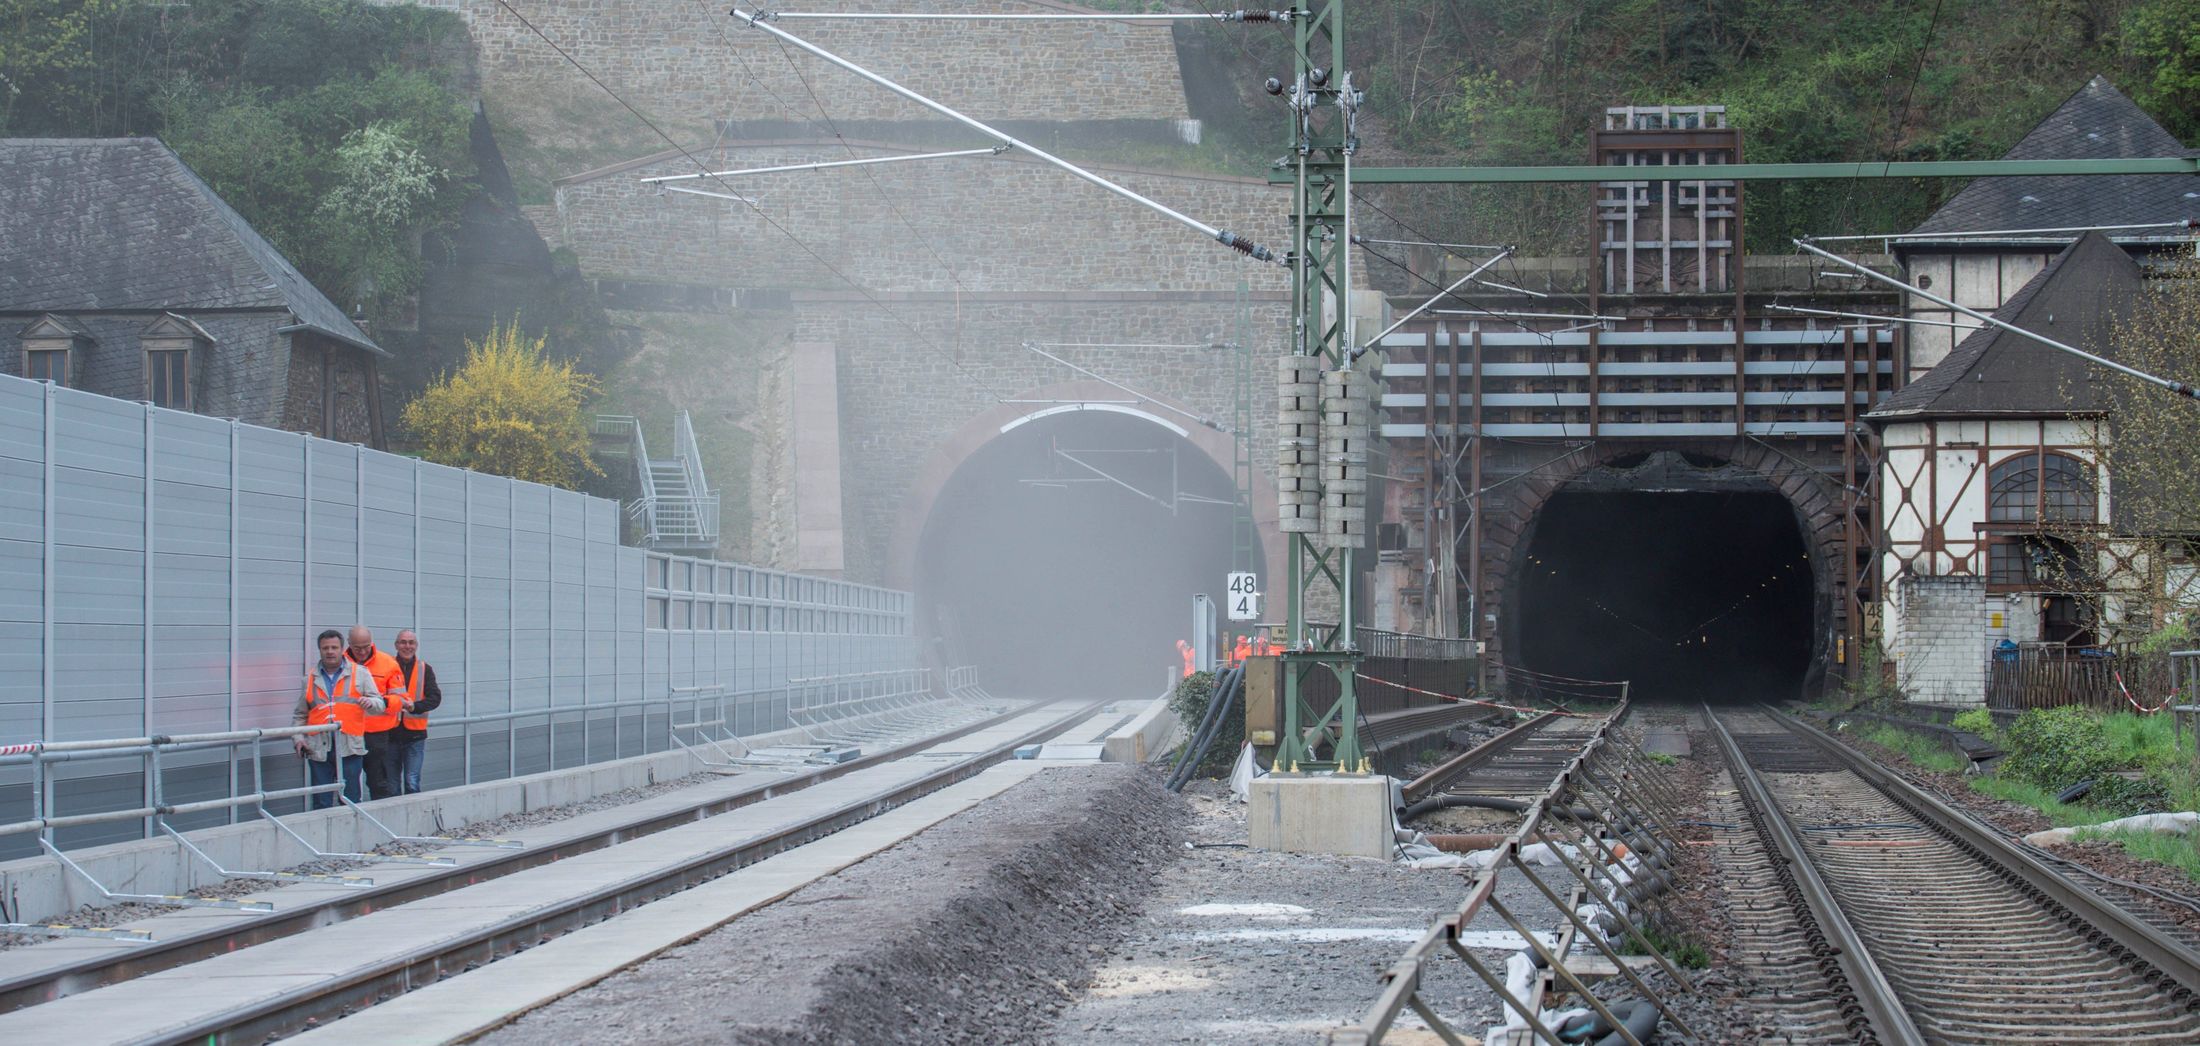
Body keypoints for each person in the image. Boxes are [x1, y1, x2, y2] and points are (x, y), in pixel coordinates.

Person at [294, 629, 385, 809]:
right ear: (319, 650)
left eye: (334, 647)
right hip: (319, 750)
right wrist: (298, 738)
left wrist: (371, 703)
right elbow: (300, 715)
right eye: (325, 648)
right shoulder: (309, 679)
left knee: (350, 800)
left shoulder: (360, 673)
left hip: (350, 748)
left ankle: (352, 836)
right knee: (321, 801)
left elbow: (380, 705)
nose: (330, 651)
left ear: (342, 649)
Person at [346, 625, 406, 800]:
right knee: (348, 784)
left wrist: (381, 702)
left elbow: (401, 699)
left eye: (366, 646)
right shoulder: (340, 664)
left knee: (380, 783)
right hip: (348, 734)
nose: (362, 652)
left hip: (378, 736)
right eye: (357, 648)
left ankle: (382, 822)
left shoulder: (387, 663)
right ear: (349, 644)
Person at [388, 629, 443, 795]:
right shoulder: (387, 666)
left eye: (411, 643)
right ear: (396, 645)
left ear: (416, 646)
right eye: (403, 642)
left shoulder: (425, 669)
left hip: (415, 736)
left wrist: (415, 707)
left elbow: (435, 698)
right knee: (392, 785)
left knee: (412, 782)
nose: (407, 646)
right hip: (390, 735)